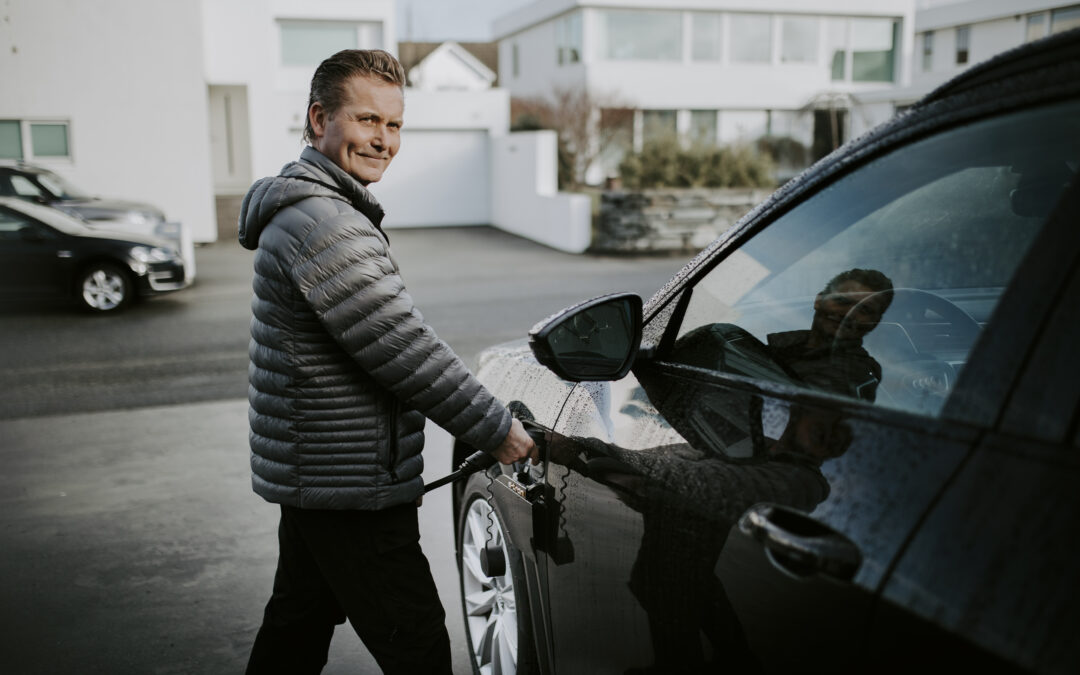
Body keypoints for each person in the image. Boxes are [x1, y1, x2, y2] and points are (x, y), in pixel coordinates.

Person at [237, 49, 536, 675]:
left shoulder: (320, 211)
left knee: (297, 624)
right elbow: (404, 349)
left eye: (395, 124)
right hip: (349, 490)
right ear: (319, 119)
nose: (383, 140)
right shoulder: (324, 224)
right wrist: (498, 430)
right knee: (418, 645)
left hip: (320, 473)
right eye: (368, 120)